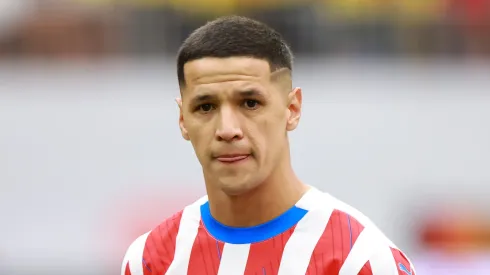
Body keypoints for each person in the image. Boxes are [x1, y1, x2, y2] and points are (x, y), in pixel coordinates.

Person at [121, 15, 416, 275]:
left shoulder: (361, 261)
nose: (227, 130)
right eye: (206, 107)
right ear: (183, 118)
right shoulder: (150, 261)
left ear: (292, 109)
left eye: (250, 103)